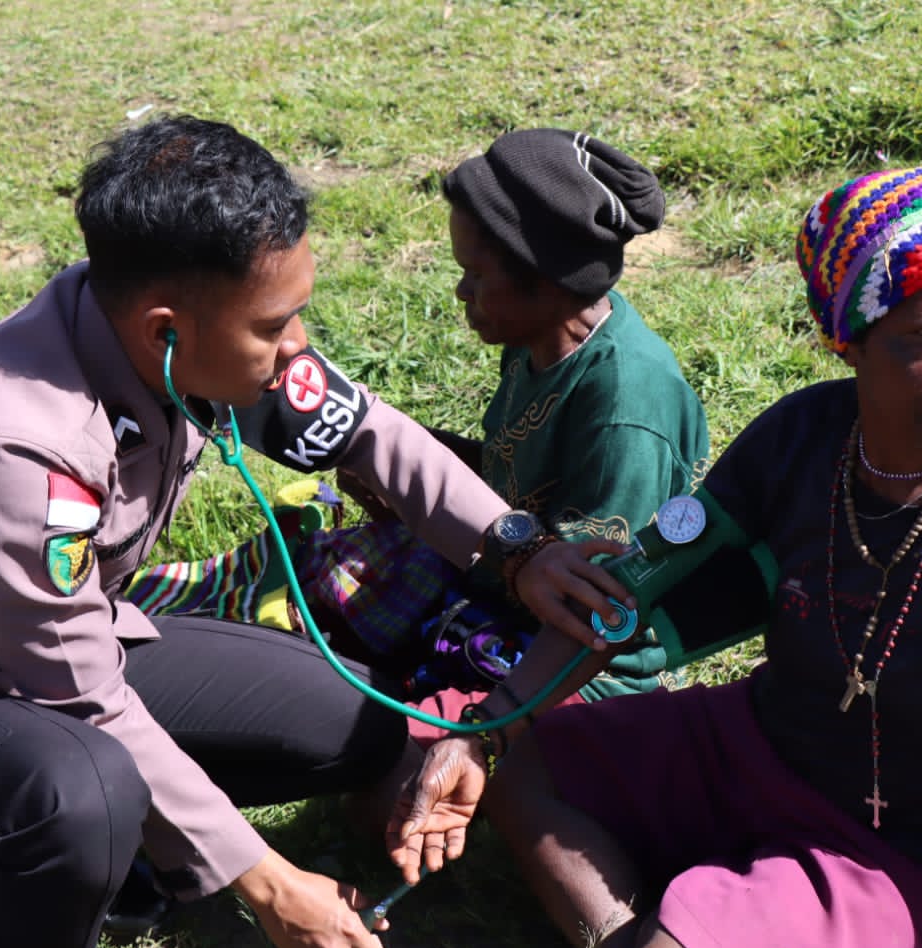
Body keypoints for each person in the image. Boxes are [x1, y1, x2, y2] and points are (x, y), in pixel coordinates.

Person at [0, 115, 627, 948]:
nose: (297, 345)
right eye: (275, 326)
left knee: (355, 722)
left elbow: (366, 434)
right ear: (166, 332)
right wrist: (269, 885)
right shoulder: (11, 440)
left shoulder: (183, 337)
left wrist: (516, 548)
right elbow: (80, 699)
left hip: (63, 651)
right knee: (83, 788)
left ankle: (129, 858)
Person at [391, 167, 922, 948]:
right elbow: (635, 590)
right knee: (520, 763)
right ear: (850, 341)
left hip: (920, 847)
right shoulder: (801, 440)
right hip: (761, 744)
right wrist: (487, 728)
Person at [128, 128, 709, 740]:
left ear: (549, 282)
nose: (461, 292)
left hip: (577, 658)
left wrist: (490, 716)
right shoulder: (539, 339)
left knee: (399, 744)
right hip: (515, 575)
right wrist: (417, 465)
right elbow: (526, 476)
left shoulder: (626, 409)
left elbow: (598, 600)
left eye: (476, 276)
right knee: (328, 570)